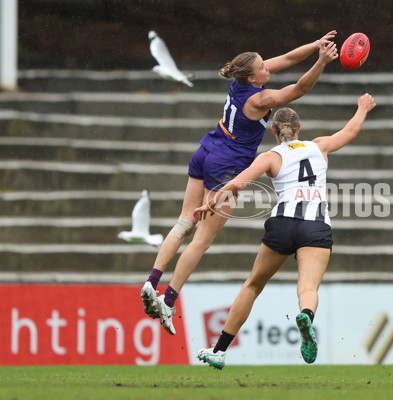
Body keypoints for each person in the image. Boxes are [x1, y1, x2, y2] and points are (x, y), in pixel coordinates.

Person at [140, 31, 340, 335]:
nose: (267, 68)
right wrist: (322, 62)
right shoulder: (260, 99)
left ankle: (151, 281)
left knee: (183, 222)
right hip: (226, 165)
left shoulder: (240, 82)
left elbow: (286, 59)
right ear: (253, 77)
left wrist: (314, 46)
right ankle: (168, 300)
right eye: (262, 66)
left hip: (206, 149)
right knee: (202, 239)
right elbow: (300, 88)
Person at [192, 93, 377, 369]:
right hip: (316, 225)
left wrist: (211, 202)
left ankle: (219, 351)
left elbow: (238, 183)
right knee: (308, 286)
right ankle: (305, 315)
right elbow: (351, 130)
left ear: (275, 133)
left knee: (253, 285)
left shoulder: (271, 157)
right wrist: (362, 108)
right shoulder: (319, 146)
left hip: (283, 223)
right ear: (299, 129)